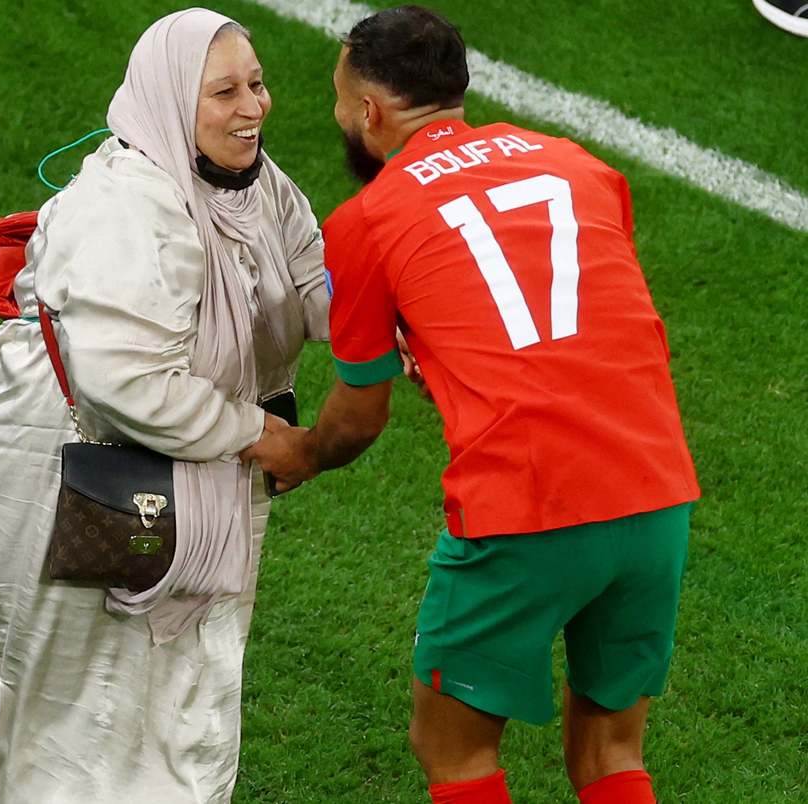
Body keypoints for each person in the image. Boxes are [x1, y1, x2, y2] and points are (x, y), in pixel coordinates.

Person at [243, 6, 700, 804]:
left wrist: (305, 451)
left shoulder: (368, 221)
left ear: (370, 113)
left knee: (452, 750)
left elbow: (360, 414)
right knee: (613, 753)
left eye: (339, 98)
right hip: (658, 491)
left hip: (526, 504)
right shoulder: (579, 165)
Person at [0, 9, 328, 804]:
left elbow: (309, 280)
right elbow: (126, 386)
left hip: (164, 463)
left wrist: (396, 328)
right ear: (168, 102)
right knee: (51, 696)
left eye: (256, 83)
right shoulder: (124, 210)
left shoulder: (259, 186)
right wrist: (260, 433)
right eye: (224, 91)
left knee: (156, 695)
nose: (254, 106)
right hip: (56, 465)